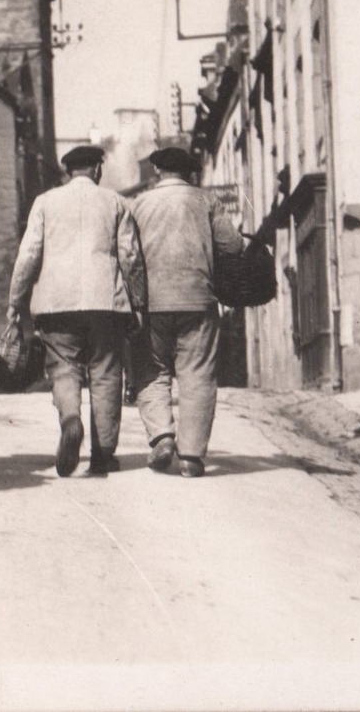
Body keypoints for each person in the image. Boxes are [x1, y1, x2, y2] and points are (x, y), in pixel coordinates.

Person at [7, 145, 147, 477]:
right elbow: (130, 257)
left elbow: (29, 255)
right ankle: (103, 454)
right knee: (106, 373)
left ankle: (71, 420)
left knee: (63, 368)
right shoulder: (116, 202)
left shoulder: (45, 202)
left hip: (56, 304)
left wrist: (15, 302)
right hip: (105, 302)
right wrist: (138, 302)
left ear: (68, 172)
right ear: (97, 170)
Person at [129, 145, 244, 478]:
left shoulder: (139, 204)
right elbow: (232, 245)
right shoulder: (206, 201)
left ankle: (162, 437)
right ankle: (192, 456)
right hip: (198, 299)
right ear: (190, 172)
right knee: (198, 374)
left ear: (157, 171)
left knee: (151, 370)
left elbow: (127, 252)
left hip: (152, 303)